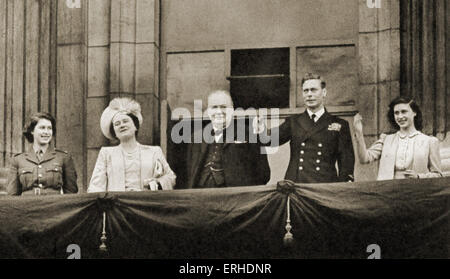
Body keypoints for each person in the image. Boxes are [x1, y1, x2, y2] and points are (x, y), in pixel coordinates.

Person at [269, 73, 355, 183]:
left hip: (324, 187)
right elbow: (270, 139)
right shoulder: (294, 121)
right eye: (306, 91)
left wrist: (343, 186)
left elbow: (346, 161)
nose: (309, 94)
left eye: (313, 90)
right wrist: (252, 131)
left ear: (324, 92)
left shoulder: (339, 124)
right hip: (297, 186)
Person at [180, 90, 270, 188]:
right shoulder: (196, 138)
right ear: (208, 112)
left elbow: (263, 174)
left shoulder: (249, 134)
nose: (219, 111)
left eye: (223, 107)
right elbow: (189, 172)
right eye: (214, 107)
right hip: (202, 195)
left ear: (232, 110)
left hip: (234, 198)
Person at [88, 97, 176, 192]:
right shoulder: (106, 153)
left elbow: (170, 177)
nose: (122, 125)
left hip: (145, 204)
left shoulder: (154, 152)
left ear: (135, 126)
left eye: (125, 121)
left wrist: (157, 183)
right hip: (116, 204)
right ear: (114, 132)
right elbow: (96, 186)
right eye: (117, 124)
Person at [353, 96, 442, 180]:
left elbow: (438, 174)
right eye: (396, 113)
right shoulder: (386, 139)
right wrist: (359, 133)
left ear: (414, 113)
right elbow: (364, 158)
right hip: (388, 192)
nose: (400, 117)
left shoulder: (429, 141)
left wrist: (419, 176)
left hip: (416, 192)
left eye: (404, 112)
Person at [7, 112, 78, 196]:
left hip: (55, 207)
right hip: (27, 207)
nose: (46, 132)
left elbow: (71, 195)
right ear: (32, 131)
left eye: (49, 128)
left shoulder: (63, 157)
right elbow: (12, 195)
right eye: (42, 128)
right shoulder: (18, 160)